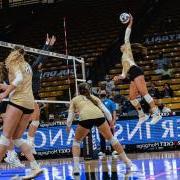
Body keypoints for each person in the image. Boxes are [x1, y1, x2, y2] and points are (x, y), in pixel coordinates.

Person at [4, 34, 56, 167]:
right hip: (24, 97)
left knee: (12, 133)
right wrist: (48, 45)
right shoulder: (27, 66)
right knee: (12, 134)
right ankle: (18, 153)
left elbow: (41, 58)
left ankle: (23, 149)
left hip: (27, 97)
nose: (41, 66)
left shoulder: (25, 66)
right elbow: (41, 57)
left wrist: (48, 45)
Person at [66, 83, 132, 176]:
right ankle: (127, 162)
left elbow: (70, 115)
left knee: (76, 141)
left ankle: (76, 167)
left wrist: (68, 126)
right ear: (89, 90)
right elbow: (106, 111)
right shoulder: (95, 98)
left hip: (85, 118)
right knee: (112, 139)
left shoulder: (74, 99)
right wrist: (111, 122)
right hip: (99, 116)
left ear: (78, 91)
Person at [0, 48, 43, 179]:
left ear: (12, 55)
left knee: (5, 136)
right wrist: (5, 88)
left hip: (18, 102)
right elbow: (20, 85)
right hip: (29, 104)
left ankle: (11, 157)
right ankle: (35, 167)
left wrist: (4, 94)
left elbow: (18, 80)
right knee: (17, 138)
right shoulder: (27, 66)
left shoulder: (14, 64)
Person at [113, 14, 162, 125]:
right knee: (132, 97)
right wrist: (119, 77)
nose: (121, 46)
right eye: (121, 46)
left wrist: (130, 22)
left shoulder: (127, 50)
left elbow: (127, 35)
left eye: (123, 45)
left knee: (144, 93)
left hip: (136, 71)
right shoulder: (123, 59)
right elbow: (124, 74)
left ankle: (156, 113)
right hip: (131, 74)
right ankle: (142, 115)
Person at [98, 90, 118, 157]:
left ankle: (113, 150)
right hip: (100, 120)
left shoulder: (110, 102)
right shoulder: (98, 102)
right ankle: (102, 151)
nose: (102, 93)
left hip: (109, 120)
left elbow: (114, 111)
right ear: (99, 94)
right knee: (102, 136)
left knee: (111, 135)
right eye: (101, 92)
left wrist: (114, 120)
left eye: (103, 92)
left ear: (106, 94)